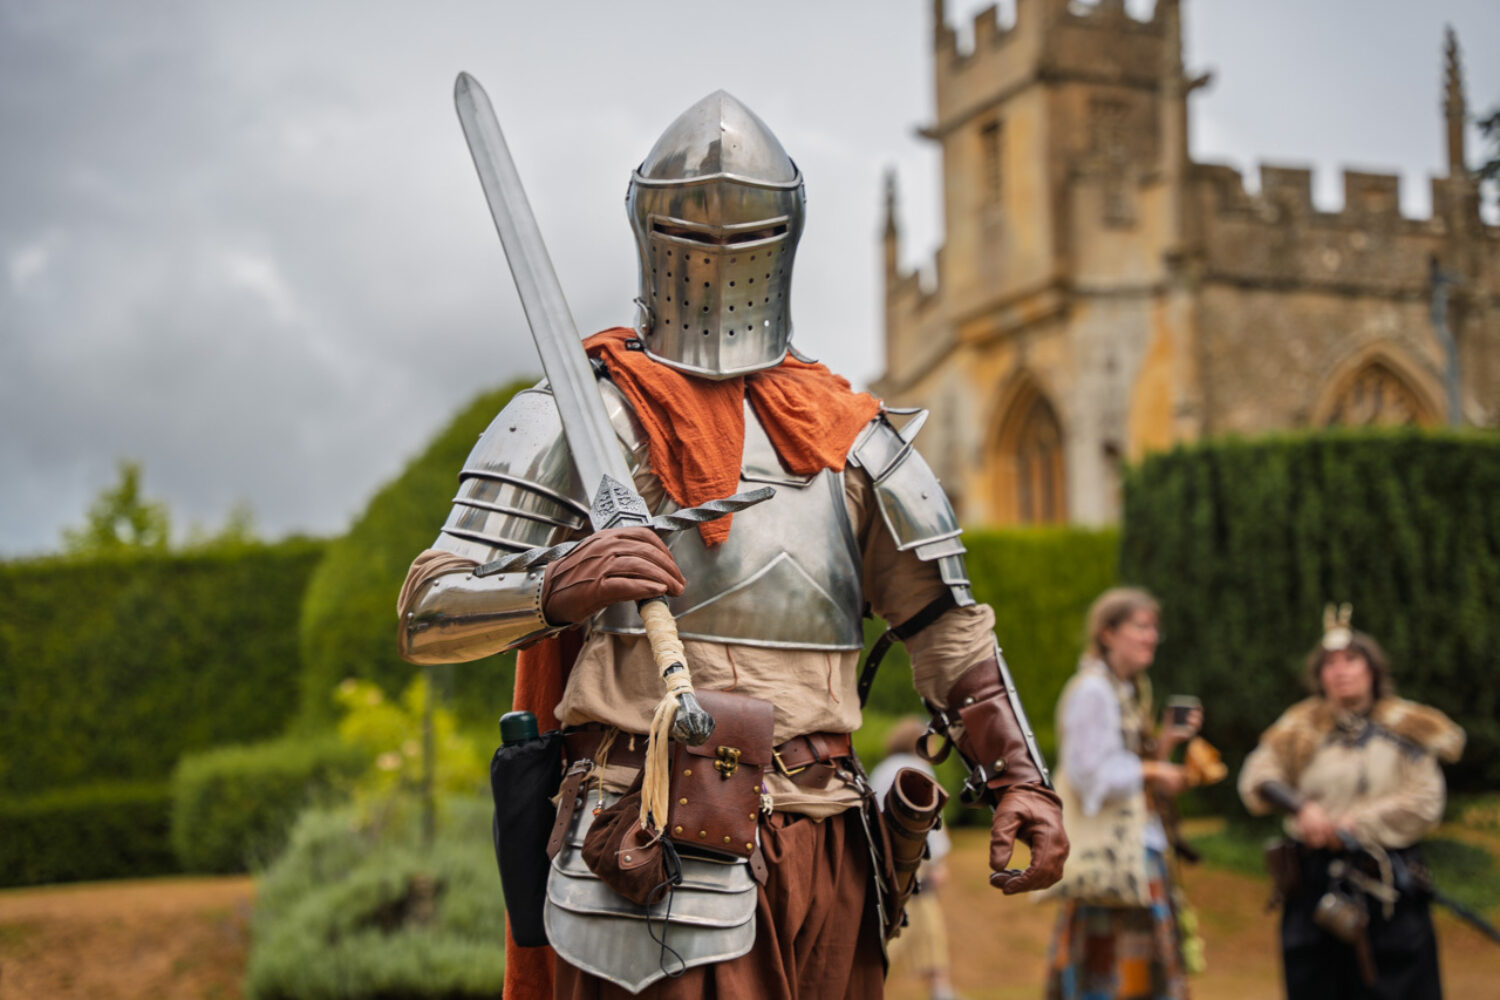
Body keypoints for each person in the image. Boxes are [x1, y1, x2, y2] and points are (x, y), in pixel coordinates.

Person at [397, 91, 1066, 999]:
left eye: (744, 236)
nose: (716, 260)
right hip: (651, 837)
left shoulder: (845, 435)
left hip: (828, 839)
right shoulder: (581, 412)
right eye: (691, 233)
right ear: (650, 232)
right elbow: (428, 612)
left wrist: (1020, 776)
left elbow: (947, 628)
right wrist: (554, 586)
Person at [1238, 605, 1464, 1000]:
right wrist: (1302, 809)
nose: (1340, 670)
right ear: (1319, 675)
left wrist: (1355, 824)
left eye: (1351, 659)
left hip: (1387, 885)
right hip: (1313, 887)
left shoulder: (1408, 726)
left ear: (1371, 669)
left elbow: (1426, 800)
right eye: (1329, 663)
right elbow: (1256, 778)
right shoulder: (1298, 728)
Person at [1043, 587, 1201, 1000]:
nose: (1151, 637)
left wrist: (1164, 745)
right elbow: (1089, 774)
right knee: (1108, 980)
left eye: (1154, 629)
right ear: (1108, 633)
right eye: (1141, 626)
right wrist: (1155, 769)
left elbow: (1125, 770)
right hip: (1112, 861)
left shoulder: (1125, 691)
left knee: (1139, 982)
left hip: (1136, 853)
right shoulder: (1092, 691)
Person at [869, 717, 961, 1000]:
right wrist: (938, 863)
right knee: (899, 930)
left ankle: (940, 988)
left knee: (928, 925)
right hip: (911, 862)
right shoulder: (918, 770)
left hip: (881, 859)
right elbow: (928, 822)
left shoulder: (882, 769)